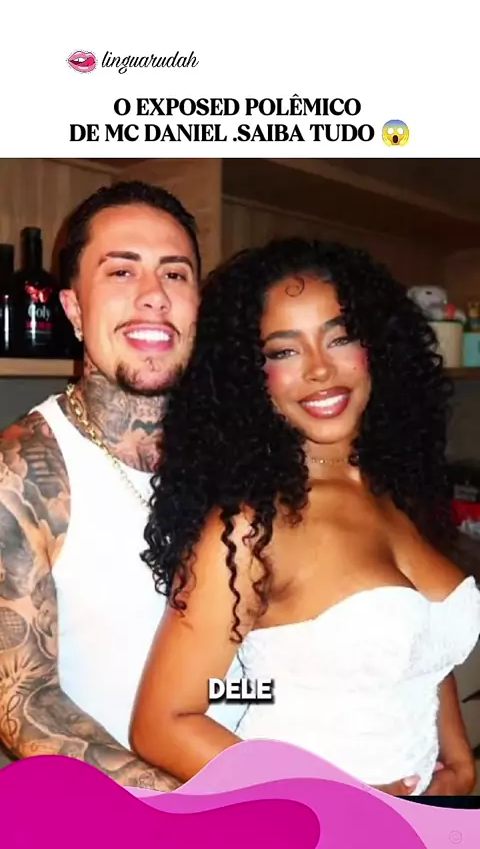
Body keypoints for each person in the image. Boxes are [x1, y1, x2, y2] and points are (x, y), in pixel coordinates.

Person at [130, 237, 480, 796]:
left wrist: (458, 758)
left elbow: (420, 648)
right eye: (283, 352)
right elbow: (164, 723)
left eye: (340, 337)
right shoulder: (249, 529)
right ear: (250, 376)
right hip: (313, 824)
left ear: (377, 345)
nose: (319, 369)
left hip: (425, 817)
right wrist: (337, 805)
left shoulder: (398, 486)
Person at [0, 179, 211, 790]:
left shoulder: (239, 451)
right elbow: (24, 701)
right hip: (125, 818)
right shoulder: (22, 471)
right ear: (72, 309)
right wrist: (193, 808)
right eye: (122, 271)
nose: (154, 296)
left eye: (175, 274)